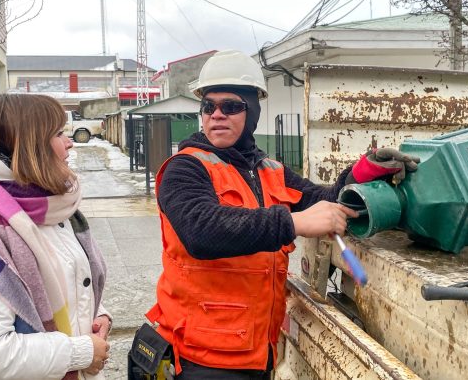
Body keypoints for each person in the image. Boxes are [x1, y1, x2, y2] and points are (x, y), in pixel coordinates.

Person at [144, 50, 419, 378]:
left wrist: (362, 172)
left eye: (231, 106)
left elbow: (325, 199)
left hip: (260, 353)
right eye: (208, 106)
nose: (217, 114)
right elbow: (201, 231)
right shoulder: (185, 169)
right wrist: (294, 222)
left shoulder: (269, 170)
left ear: (253, 112)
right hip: (200, 359)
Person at [0, 94, 112, 380]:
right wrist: (81, 352)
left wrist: (96, 313)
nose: (69, 142)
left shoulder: (45, 204)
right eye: (57, 133)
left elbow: (57, 278)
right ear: (30, 146)